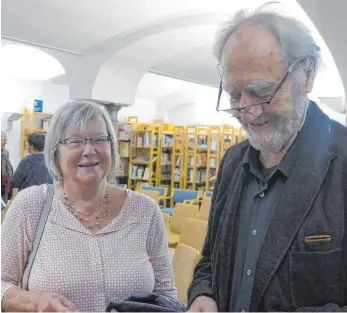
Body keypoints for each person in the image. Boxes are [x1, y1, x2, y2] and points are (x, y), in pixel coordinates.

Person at [188, 7, 347, 312]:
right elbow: (210, 260)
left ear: (307, 74)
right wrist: (203, 293)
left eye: (261, 91)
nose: (248, 110)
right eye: (235, 95)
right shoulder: (232, 163)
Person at [1, 100, 177, 312]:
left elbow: (166, 294)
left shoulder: (145, 211)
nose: (89, 150)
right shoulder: (31, 206)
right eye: (75, 142)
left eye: (99, 139)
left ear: (112, 146)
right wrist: (35, 302)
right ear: (56, 152)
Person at [1, 131, 13, 203]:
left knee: (3, 204)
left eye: (6, 140)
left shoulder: (6, 152)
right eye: (4, 140)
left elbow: (8, 169)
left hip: (5, 183)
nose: (6, 142)